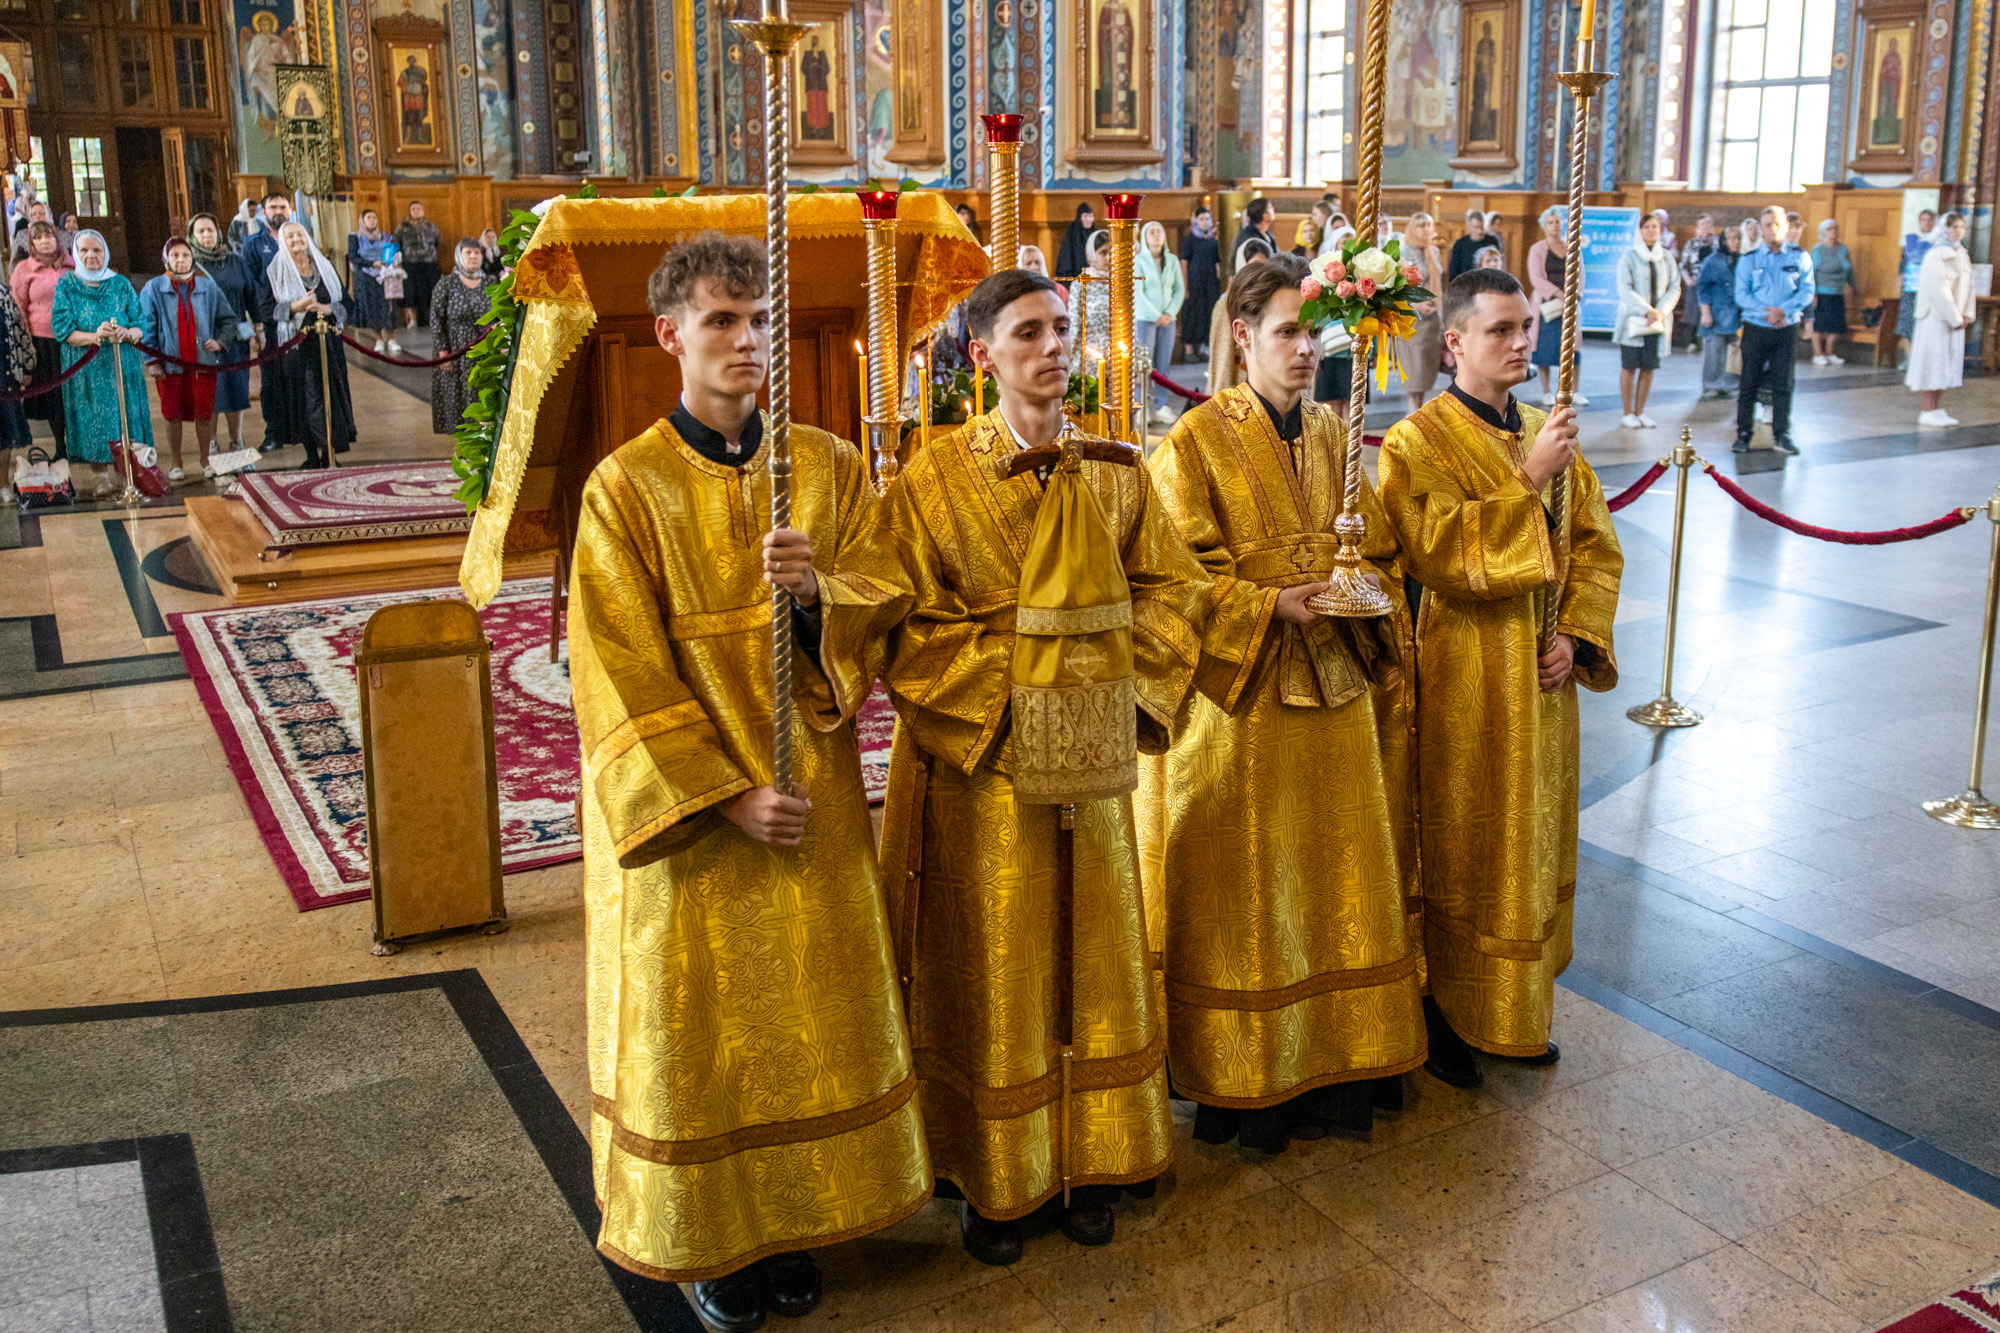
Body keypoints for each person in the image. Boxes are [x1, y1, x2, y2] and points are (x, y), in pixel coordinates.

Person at [568, 232, 928, 1333]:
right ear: (669, 335)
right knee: (705, 1032)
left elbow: (887, 592)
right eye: (720, 321)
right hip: (700, 824)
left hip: (808, 792)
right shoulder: (624, 489)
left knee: (806, 1015)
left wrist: (817, 594)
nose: (746, 341)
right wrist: (727, 796)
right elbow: (616, 672)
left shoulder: (825, 466)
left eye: (759, 320)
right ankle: (713, 1242)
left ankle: (803, 1214)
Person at [819, 266, 1207, 1265]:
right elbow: (908, 623)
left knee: (1090, 947)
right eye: (1028, 332)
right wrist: (1024, 705)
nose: (1052, 347)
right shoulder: (932, 479)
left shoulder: (1118, 469)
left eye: (1060, 328)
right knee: (994, 956)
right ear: (983, 354)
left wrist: (1116, 694)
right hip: (982, 764)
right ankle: (994, 1172)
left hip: (1096, 747)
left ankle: (1090, 1153)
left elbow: (1173, 589)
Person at [1138, 252, 1423, 1154]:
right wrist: (1267, 605)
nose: (1306, 350)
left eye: (1317, 333)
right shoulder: (1192, 442)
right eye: (1289, 332)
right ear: (1242, 334)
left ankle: (1341, 1062)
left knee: (1337, 880)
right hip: (1245, 708)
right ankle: (1248, 1080)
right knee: (1253, 895)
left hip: (1336, 692)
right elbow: (1172, 578)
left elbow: (1379, 551)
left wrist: (1364, 595)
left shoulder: (1340, 432)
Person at [1376, 267, 1623, 1087]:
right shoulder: (1416, 442)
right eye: (1501, 330)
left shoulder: (1544, 427)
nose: (1521, 343)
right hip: (1463, 684)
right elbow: (1437, 551)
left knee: (1527, 841)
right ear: (1454, 343)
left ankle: (1513, 1003)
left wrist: (1576, 638)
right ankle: (1440, 1007)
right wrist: (1529, 480)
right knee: (1459, 842)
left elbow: (1594, 546)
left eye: (1526, 327)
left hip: (1540, 689)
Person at [51, 230, 150, 499]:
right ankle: (100, 477)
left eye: (97, 250)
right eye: (84, 250)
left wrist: (128, 333)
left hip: (122, 361)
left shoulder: (120, 283)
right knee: (93, 418)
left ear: (105, 252)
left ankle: (127, 472)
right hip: (86, 364)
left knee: (124, 415)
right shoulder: (66, 284)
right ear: (76, 253)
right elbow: (62, 329)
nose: (91, 255)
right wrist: (94, 336)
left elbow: (140, 323)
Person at [264, 221, 355, 468]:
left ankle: (330, 453)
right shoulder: (274, 271)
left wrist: (328, 308)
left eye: (299, 235)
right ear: (283, 242)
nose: (296, 240)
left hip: (328, 344)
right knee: (304, 399)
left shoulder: (325, 267)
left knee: (329, 396)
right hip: (297, 348)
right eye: (290, 237)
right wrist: (296, 307)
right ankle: (311, 454)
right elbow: (266, 309)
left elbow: (347, 304)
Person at [139, 239, 226, 482]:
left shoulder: (207, 286)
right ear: (166, 259)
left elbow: (228, 319)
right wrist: (152, 361)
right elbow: (146, 327)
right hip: (169, 364)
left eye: (185, 255)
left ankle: (205, 460)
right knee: (172, 413)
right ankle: (176, 461)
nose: (180, 260)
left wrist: (220, 342)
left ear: (192, 258)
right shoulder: (153, 288)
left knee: (204, 413)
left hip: (202, 362)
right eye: (174, 255)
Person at [1733, 204, 1813, 455]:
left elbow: (1807, 290)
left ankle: (1781, 434)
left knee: (1784, 382)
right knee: (1749, 382)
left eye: (1778, 224)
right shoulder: (1749, 259)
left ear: (1786, 227)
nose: (1773, 229)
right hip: (1757, 327)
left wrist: (1783, 311)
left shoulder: (1800, 257)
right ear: (1761, 229)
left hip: (1786, 328)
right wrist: (1767, 313)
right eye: (1768, 225)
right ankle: (1743, 434)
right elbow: (1741, 294)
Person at [188, 212, 257, 460]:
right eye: (201, 231)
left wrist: (259, 328)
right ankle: (212, 442)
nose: (206, 235)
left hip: (236, 336)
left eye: (210, 230)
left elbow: (251, 294)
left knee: (236, 388)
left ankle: (237, 439)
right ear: (192, 235)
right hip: (205, 339)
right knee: (211, 391)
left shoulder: (234, 261)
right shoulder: (189, 263)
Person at [1907, 210, 1974, 427]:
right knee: (1933, 364)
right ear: (1945, 229)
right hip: (1936, 318)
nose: (1958, 231)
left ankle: (1936, 408)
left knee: (1946, 364)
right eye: (1954, 227)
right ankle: (1928, 410)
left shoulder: (1962, 253)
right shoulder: (1935, 255)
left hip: (1954, 319)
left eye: (1961, 227)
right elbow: (1939, 290)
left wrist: (1966, 314)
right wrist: (1955, 317)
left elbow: (1969, 286)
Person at [10, 222, 71, 458]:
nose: (44, 241)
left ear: (58, 239)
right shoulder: (24, 269)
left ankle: (79, 445)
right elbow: (18, 309)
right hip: (42, 341)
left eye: (48, 236)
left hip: (72, 339)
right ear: (31, 243)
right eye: (38, 237)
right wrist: (25, 344)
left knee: (73, 395)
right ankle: (60, 447)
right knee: (53, 398)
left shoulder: (72, 266)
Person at [1614, 211, 1679, 429]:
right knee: (1630, 366)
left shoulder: (1667, 257)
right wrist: (1646, 310)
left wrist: (1660, 311)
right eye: (1647, 227)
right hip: (1634, 321)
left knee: (1648, 367)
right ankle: (1627, 413)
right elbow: (1625, 289)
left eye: (1655, 227)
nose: (1651, 231)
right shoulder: (1630, 256)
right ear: (1640, 231)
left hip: (1657, 323)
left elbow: (1674, 287)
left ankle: (1640, 412)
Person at [429, 238, 494, 436]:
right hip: (455, 350)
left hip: (483, 350)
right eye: (468, 253)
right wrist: (443, 354)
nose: (473, 256)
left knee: (480, 398)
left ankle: (481, 439)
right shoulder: (447, 283)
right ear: (459, 256)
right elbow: (436, 318)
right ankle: (462, 442)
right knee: (456, 400)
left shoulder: (490, 283)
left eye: (477, 253)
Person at [246, 191, 293, 452]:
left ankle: (304, 430)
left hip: (298, 320)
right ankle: (274, 432)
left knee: (299, 375)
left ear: (290, 210)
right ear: (263, 212)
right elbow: (251, 286)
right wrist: (258, 324)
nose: (278, 211)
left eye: (282, 207)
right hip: (270, 321)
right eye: (273, 207)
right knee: (272, 379)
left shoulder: (299, 238)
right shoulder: (254, 245)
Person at [1526, 206, 1587, 406]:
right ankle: (1547, 391)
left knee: (1572, 349)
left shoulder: (1572, 246)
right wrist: (1560, 294)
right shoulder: (1537, 249)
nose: (1554, 226)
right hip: (1547, 304)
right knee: (1545, 349)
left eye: (1557, 222)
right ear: (1544, 226)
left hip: (1570, 304)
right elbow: (1537, 278)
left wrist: (1575, 294)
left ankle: (1573, 390)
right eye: (1550, 222)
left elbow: (1580, 274)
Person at [1392, 211, 1446, 413]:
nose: (1425, 230)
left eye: (1428, 225)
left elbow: (1438, 281)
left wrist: (1438, 307)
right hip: (1411, 315)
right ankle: (1411, 407)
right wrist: (1416, 305)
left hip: (1432, 314)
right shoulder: (1404, 253)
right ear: (1413, 229)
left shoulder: (1434, 251)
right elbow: (1397, 288)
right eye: (1421, 226)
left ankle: (1420, 406)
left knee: (1427, 364)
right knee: (1413, 363)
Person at [1136, 218, 1185, 423]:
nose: (1157, 235)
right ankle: (1140, 406)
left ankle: (1162, 405)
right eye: (1152, 232)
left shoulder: (1171, 260)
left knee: (1164, 363)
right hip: (1146, 319)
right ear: (1145, 237)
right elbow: (1137, 292)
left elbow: (1179, 289)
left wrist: (1169, 313)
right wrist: (1155, 315)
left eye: (1159, 232)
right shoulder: (1139, 261)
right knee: (1143, 364)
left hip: (1167, 319)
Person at [1209, 237, 1270, 393]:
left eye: (1264, 265)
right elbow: (1223, 355)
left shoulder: (1273, 299)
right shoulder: (1227, 303)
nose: (1258, 271)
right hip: (1238, 377)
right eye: (1254, 264)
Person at [1695, 222, 1742, 399]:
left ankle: (1731, 384)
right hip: (1716, 313)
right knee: (1714, 352)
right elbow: (1702, 288)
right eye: (1732, 239)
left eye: (1738, 239)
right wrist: (1705, 312)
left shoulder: (1741, 260)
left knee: (1734, 351)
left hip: (1736, 314)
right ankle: (1711, 385)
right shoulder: (1712, 261)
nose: (1736, 242)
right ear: (1724, 241)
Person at [346, 209, 400, 354]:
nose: (372, 220)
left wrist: (390, 261)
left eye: (374, 217)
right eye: (368, 218)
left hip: (384, 275)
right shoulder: (355, 237)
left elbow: (391, 255)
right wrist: (371, 264)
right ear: (362, 220)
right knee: (372, 307)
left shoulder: (386, 237)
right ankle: (378, 339)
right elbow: (353, 257)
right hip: (366, 276)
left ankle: (391, 339)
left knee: (388, 307)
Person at [0, 279, 32, 505]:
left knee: (5, 432)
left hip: (4, 371)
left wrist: (28, 365)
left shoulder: (3, 294)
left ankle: (2, 483)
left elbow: (20, 329)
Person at [1179, 204, 1223, 360]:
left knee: (1207, 313)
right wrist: (1184, 286)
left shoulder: (1213, 241)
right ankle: (1189, 349)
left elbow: (1217, 263)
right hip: (1194, 282)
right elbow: (1183, 262)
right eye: (1201, 219)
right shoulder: (1190, 239)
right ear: (1196, 221)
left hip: (1209, 282)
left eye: (1207, 219)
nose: (1205, 222)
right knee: (1191, 313)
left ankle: (1203, 348)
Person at [1810, 218, 1855, 365]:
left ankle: (1829, 352)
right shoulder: (1818, 250)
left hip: (1838, 292)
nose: (1833, 231)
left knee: (1836, 325)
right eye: (1830, 229)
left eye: (1835, 228)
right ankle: (1818, 353)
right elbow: (1811, 272)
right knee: (1819, 325)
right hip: (1821, 293)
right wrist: (1812, 293)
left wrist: (1854, 287)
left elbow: (1849, 270)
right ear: (1823, 232)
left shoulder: (1843, 249)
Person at [1897, 209, 1939, 362]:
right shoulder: (1911, 242)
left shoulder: (1938, 243)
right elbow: (1902, 266)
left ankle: (1922, 360)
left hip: (1929, 291)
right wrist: (1898, 287)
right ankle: (1910, 359)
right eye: (1923, 220)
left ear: (1934, 222)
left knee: (1925, 325)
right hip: (1910, 289)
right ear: (1919, 222)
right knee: (1906, 325)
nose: (1926, 223)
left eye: (1929, 220)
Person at [393, 200, 442, 328]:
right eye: (413, 209)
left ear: (423, 211)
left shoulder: (430, 225)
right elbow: (395, 243)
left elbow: (438, 241)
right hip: (410, 263)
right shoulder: (402, 226)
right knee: (411, 292)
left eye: (418, 208)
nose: (416, 211)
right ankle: (412, 320)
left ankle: (433, 319)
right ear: (409, 211)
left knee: (432, 291)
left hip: (429, 263)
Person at [1675, 214, 1718, 351]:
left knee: (1713, 311)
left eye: (1708, 223)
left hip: (1714, 284)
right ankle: (1693, 341)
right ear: (1698, 227)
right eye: (1703, 224)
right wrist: (1687, 278)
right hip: (1696, 283)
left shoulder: (1717, 243)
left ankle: (1711, 341)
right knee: (1694, 312)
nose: (1706, 226)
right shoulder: (1691, 244)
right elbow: (1683, 265)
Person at [1072, 229, 1113, 362]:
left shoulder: (1121, 282)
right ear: (1091, 255)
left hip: (1118, 355)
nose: (1108, 258)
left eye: (1111, 252)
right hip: (1090, 356)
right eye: (1103, 252)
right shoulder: (1081, 283)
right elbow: (1074, 323)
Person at [1448, 208, 1498, 282]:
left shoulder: (1492, 241)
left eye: (1482, 228)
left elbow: (1498, 265)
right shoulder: (1460, 244)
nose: (1479, 231)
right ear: (1469, 227)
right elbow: (1454, 269)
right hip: (1465, 283)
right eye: (1476, 227)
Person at [1054, 201, 1097, 279]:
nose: (1088, 219)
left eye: (1091, 216)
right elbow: (1066, 260)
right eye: (1085, 216)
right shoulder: (1072, 235)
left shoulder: (1095, 233)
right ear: (1079, 217)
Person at [1233, 197, 1277, 272]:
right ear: (1265, 216)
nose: (1273, 209)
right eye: (1270, 207)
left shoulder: (1267, 234)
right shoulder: (1249, 238)